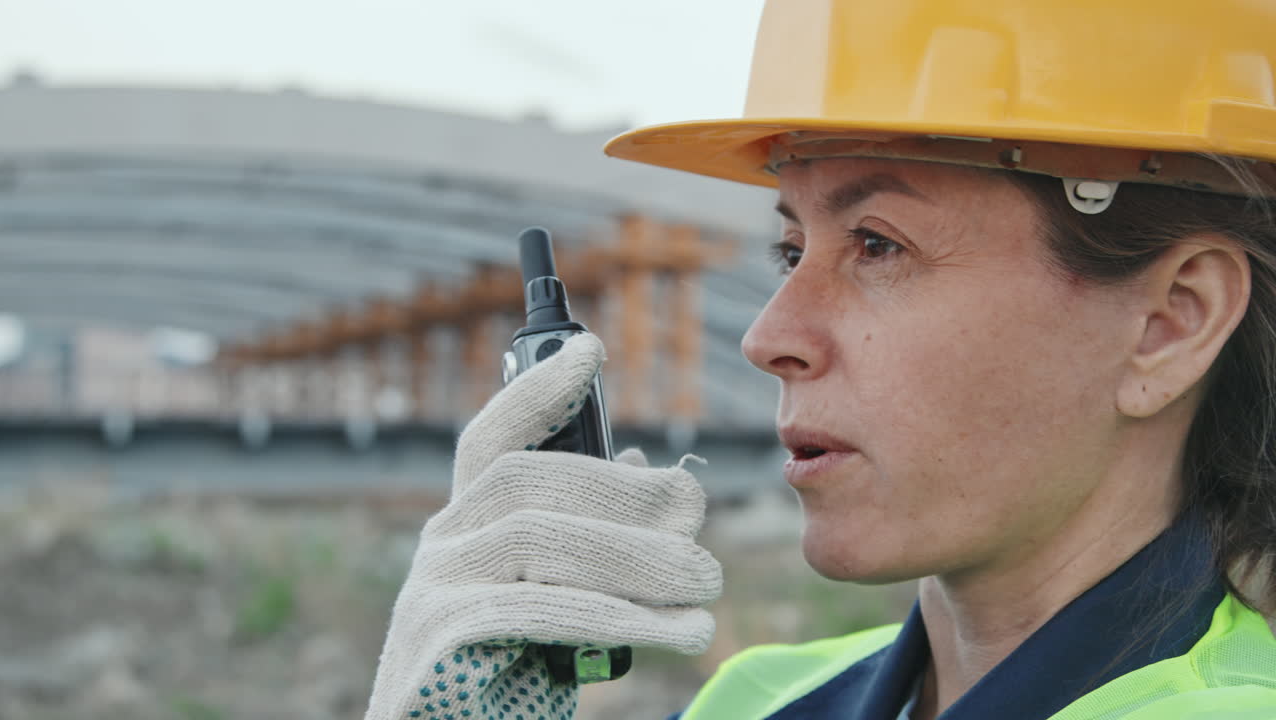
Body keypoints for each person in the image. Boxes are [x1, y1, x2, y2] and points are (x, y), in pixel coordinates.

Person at [364, 1, 1276, 718]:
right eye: (791, 250)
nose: (767, 338)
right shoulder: (756, 700)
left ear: (1171, 323)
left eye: (878, 245)